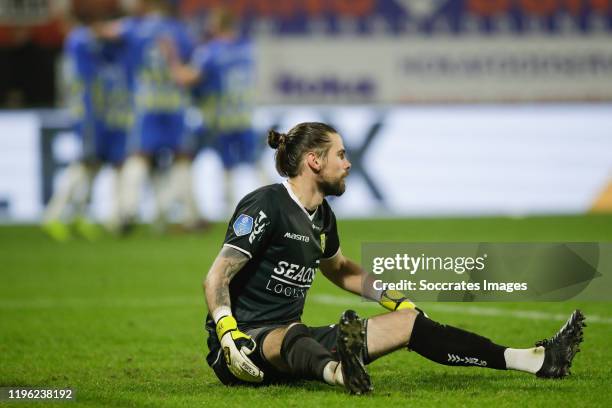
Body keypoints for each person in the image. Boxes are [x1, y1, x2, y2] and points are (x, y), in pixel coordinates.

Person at [202, 122, 586, 394]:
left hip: (294, 345)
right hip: (242, 347)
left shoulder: (322, 217)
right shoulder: (266, 203)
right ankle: (340, 373)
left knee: (409, 323)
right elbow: (217, 276)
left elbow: (340, 268)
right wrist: (227, 332)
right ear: (315, 162)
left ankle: (534, 359)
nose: (348, 163)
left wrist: (392, 299)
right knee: (290, 334)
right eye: (341, 154)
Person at [95, 0, 200, 232]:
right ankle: (183, 215)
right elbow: (192, 65)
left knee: (139, 156)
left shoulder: (133, 27)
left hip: (146, 104)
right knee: (182, 157)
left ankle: (127, 211)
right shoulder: (180, 30)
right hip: (174, 104)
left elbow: (103, 33)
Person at [167, 7, 267, 212]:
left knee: (195, 158)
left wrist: (171, 59)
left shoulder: (210, 51)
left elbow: (186, 78)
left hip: (218, 119)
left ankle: (225, 208)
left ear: (216, 25)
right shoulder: (246, 49)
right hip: (243, 116)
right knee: (254, 162)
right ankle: (282, 206)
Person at [42, 13, 131, 241]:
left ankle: (79, 216)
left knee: (95, 166)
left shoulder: (105, 49)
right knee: (84, 162)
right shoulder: (79, 41)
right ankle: (53, 215)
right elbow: (83, 42)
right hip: (89, 115)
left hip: (105, 115)